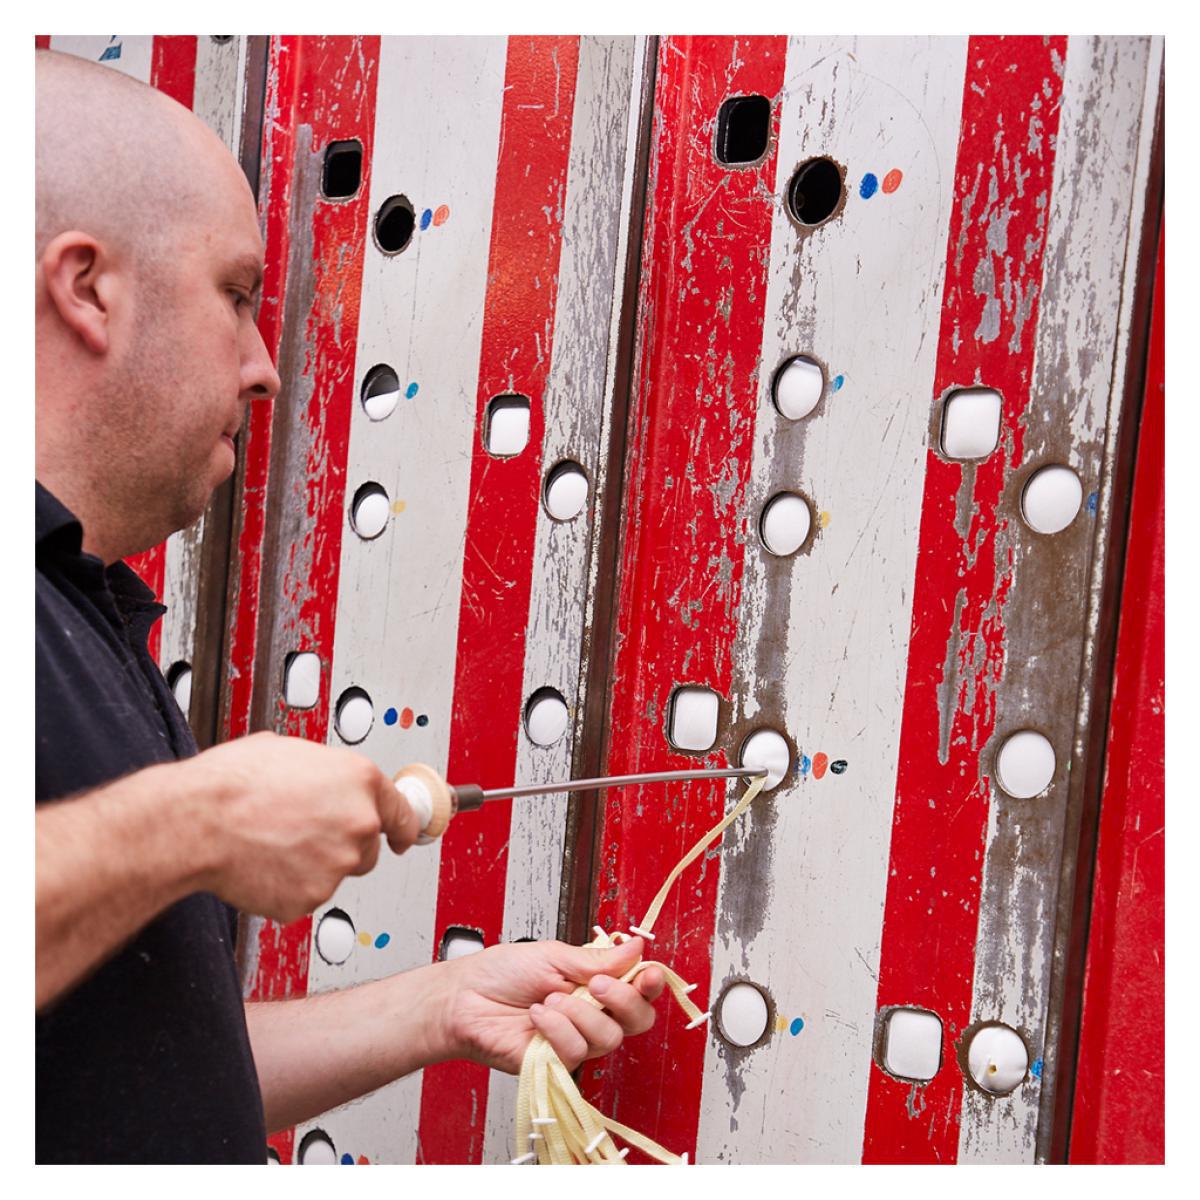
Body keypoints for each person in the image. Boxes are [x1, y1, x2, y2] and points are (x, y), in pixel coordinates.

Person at [34, 48, 664, 1165]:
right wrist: (194, 824)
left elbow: (128, 1059)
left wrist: (442, 1006)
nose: (265, 365)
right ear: (88, 288)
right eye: (235, 295)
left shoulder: (76, 610)